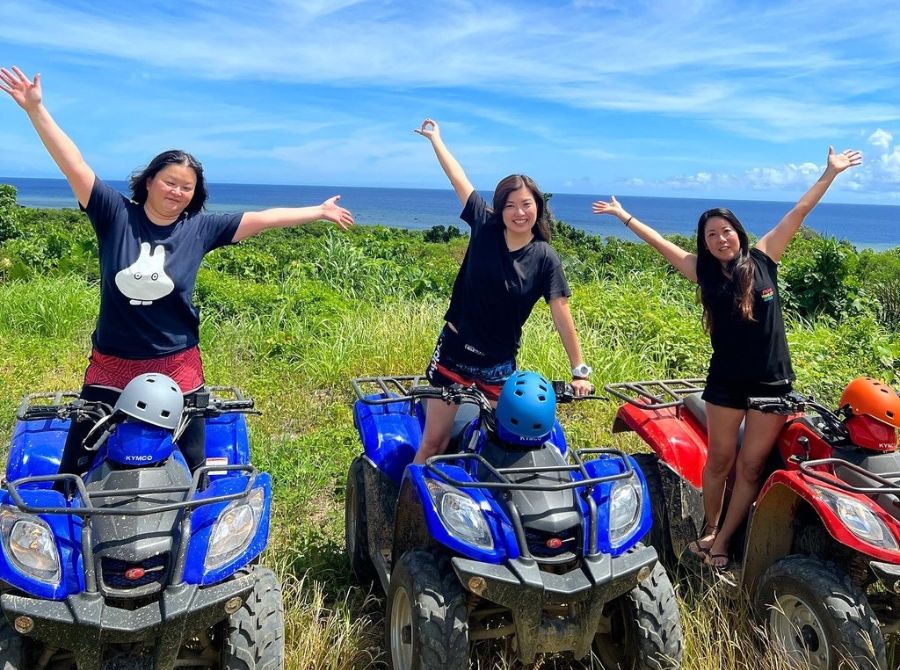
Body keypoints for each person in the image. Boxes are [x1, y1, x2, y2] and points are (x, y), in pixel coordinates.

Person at [0, 66, 354, 476]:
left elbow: (265, 218)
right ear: (149, 181)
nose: (177, 192)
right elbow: (73, 164)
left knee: (193, 465)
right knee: (75, 467)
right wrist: (35, 110)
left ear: (194, 195)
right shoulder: (114, 215)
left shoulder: (200, 229)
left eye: (186, 187)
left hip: (177, 363)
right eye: (170, 182)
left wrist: (320, 211)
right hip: (113, 361)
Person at [592, 146, 862, 568]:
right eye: (711, 234)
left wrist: (830, 172)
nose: (720, 239)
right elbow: (659, 243)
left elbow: (800, 210)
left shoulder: (765, 257)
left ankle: (724, 541)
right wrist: (623, 215)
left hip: (773, 386)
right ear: (704, 242)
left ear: (739, 232)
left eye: (726, 231)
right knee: (720, 460)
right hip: (726, 385)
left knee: (752, 469)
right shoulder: (700, 271)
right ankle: (710, 527)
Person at [413, 118, 592, 465]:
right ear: (500, 207)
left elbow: (561, 313)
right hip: (453, 353)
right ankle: (408, 511)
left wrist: (579, 369)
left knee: (504, 449)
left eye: (525, 204)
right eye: (510, 205)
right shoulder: (484, 224)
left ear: (537, 206)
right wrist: (436, 139)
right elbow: (458, 178)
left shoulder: (544, 257)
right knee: (432, 444)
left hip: (499, 365)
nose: (518, 212)